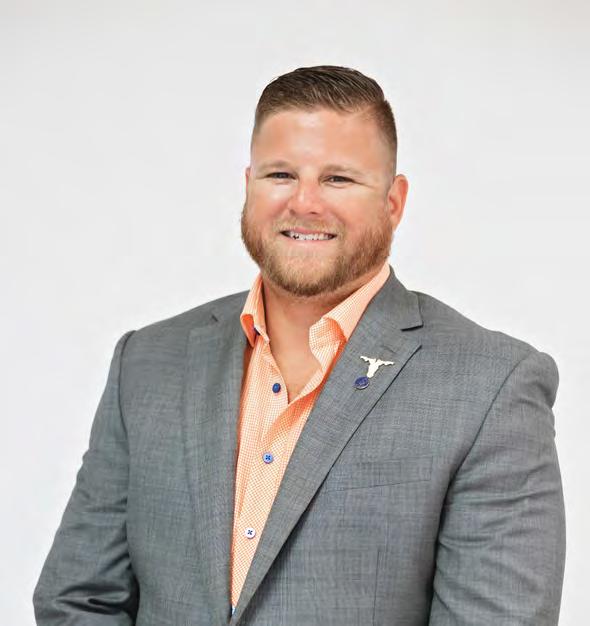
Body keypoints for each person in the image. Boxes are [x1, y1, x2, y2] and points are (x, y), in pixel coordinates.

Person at [33, 65, 566, 625]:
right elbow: (77, 599)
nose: (305, 202)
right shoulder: (148, 362)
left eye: (338, 179)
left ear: (394, 202)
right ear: (249, 185)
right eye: (281, 174)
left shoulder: (489, 386)